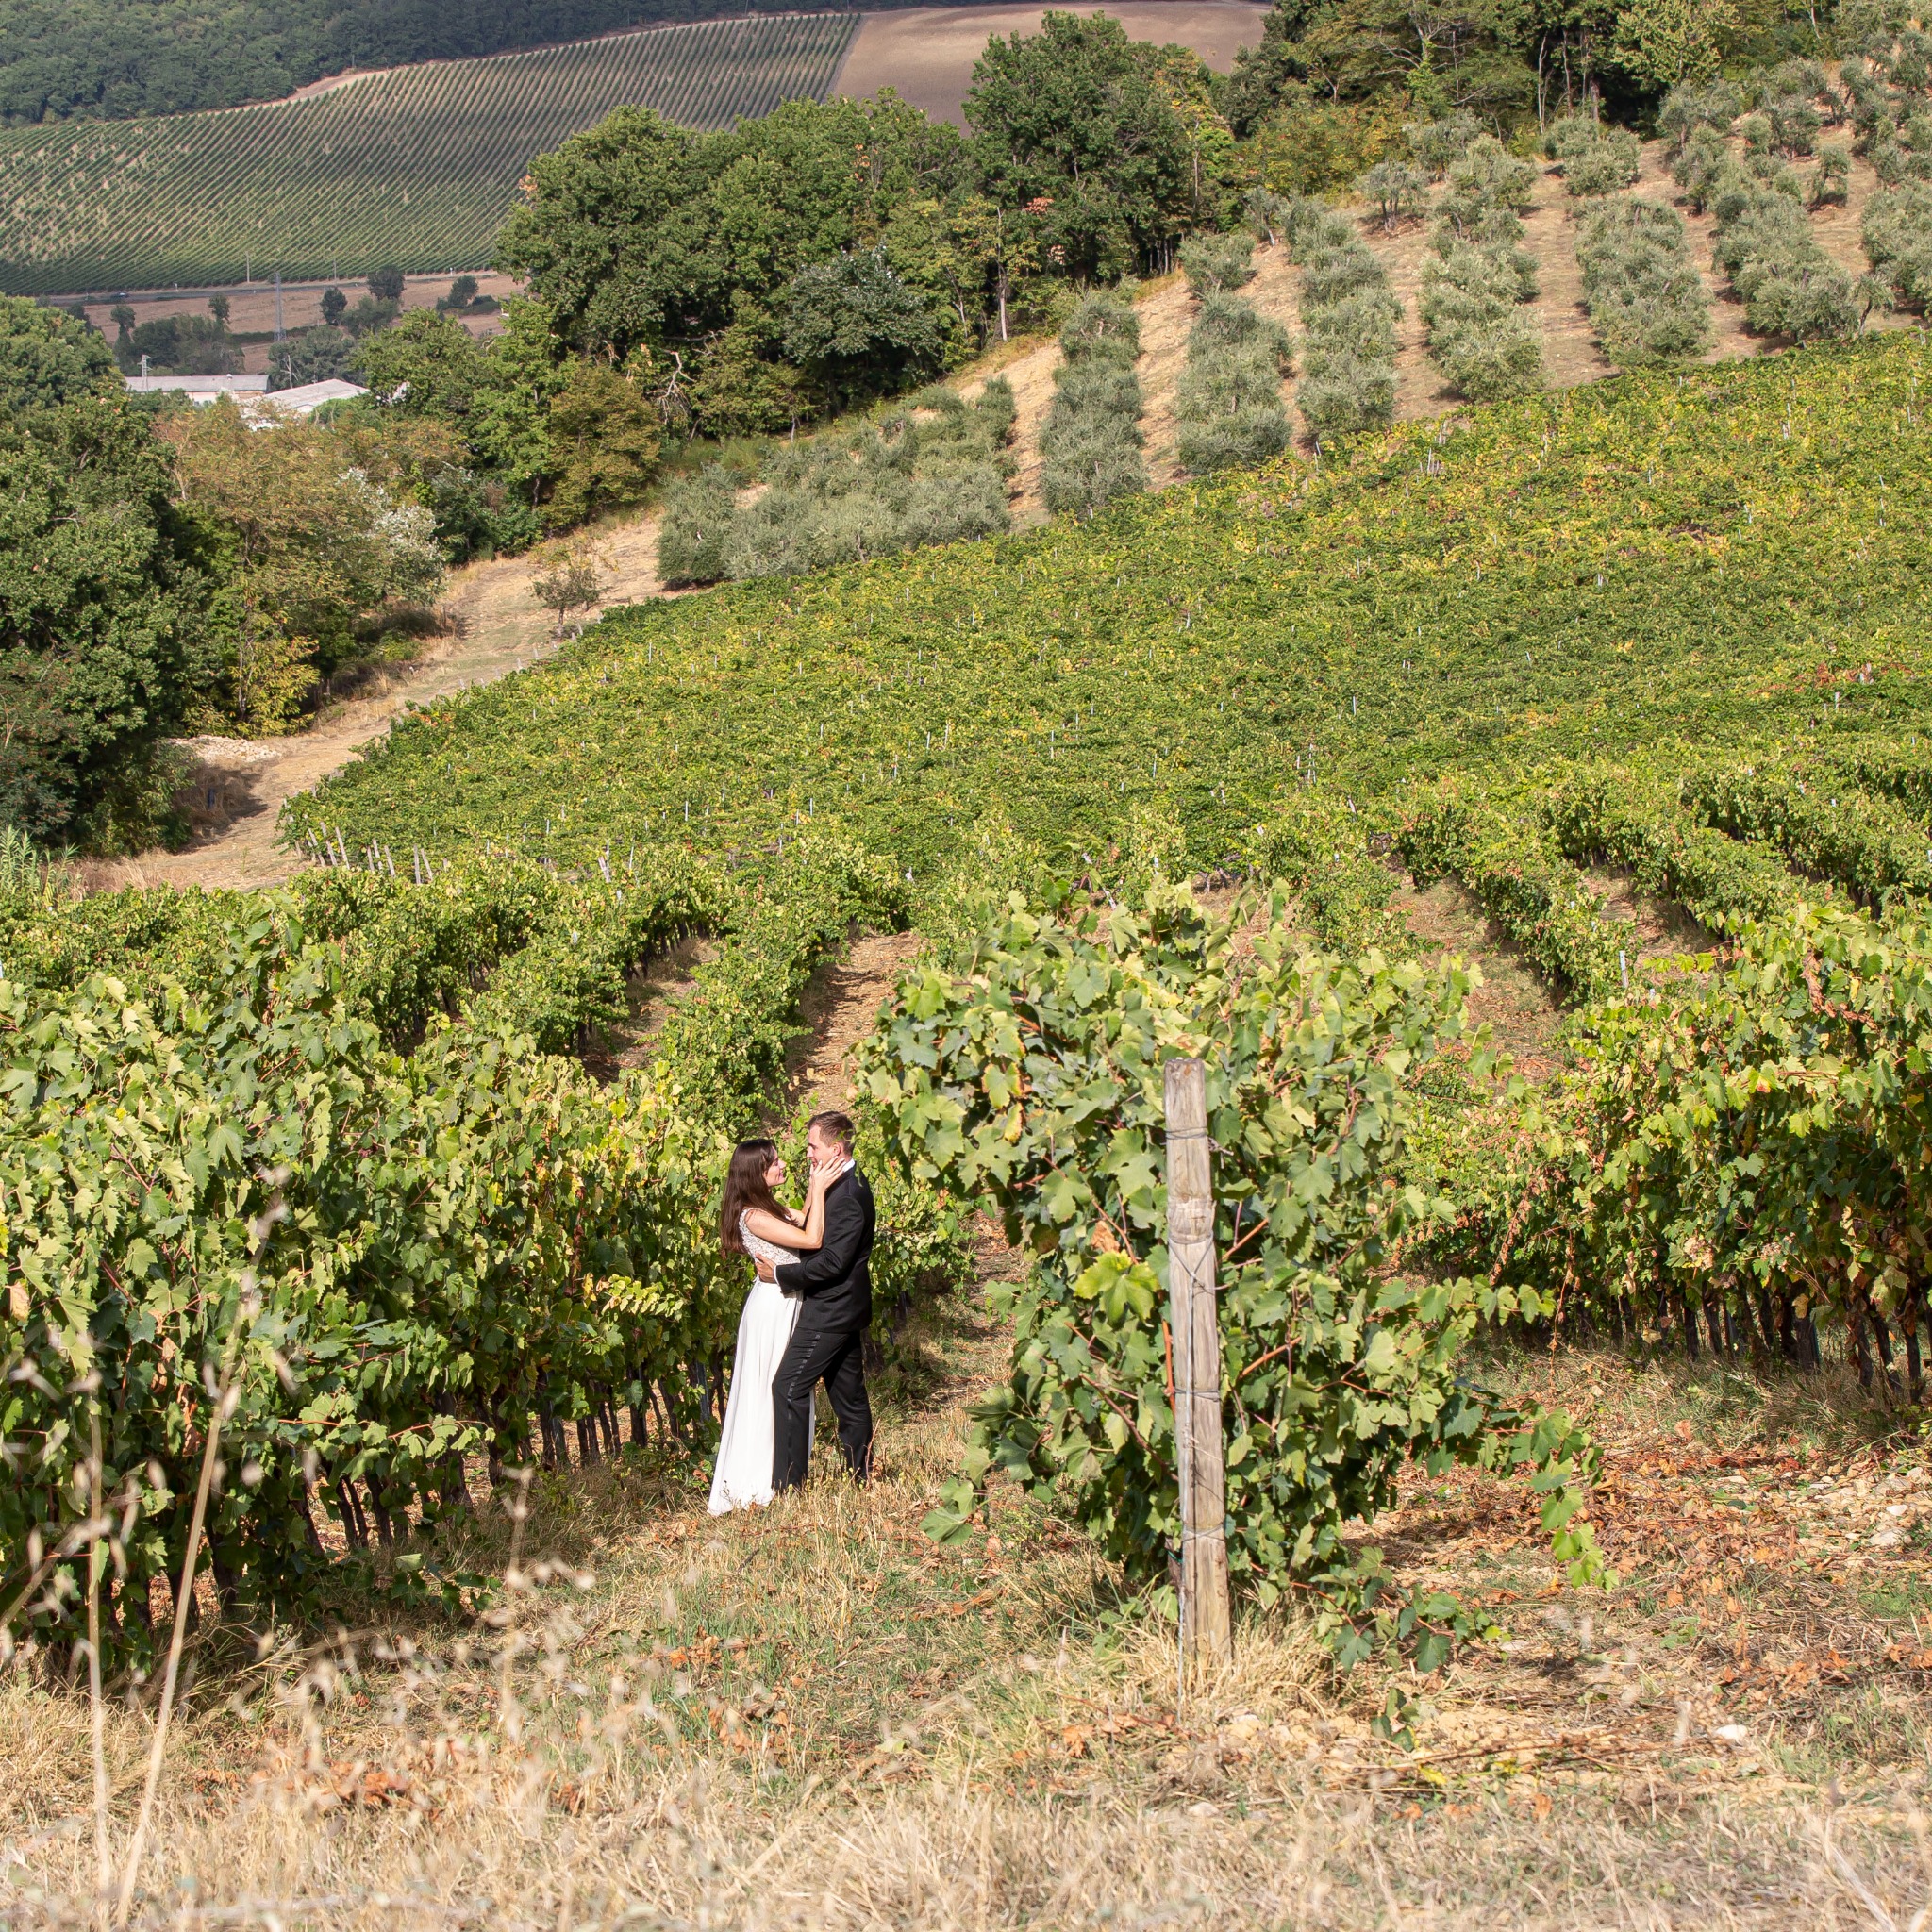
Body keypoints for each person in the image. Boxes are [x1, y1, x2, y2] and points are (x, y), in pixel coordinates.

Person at [756, 1109, 877, 1491]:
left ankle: (791, 1486)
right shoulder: (841, 1186)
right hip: (843, 1307)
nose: (807, 1154)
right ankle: (862, 1477)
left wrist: (778, 1274)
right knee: (849, 1398)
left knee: (788, 1387)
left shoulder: (848, 1197)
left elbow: (831, 1262)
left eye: (813, 1146)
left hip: (830, 1309)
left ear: (835, 1149)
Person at [709, 1138, 832, 1514]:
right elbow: (812, 1238)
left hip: (784, 1302)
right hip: (772, 1310)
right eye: (774, 1163)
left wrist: (815, 1187)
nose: (782, 1165)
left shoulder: (771, 1208)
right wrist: (824, 1189)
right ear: (756, 1174)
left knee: (782, 1386)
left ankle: (783, 1473)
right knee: (769, 1388)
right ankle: (760, 1482)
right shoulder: (754, 1217)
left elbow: (805, 1218)